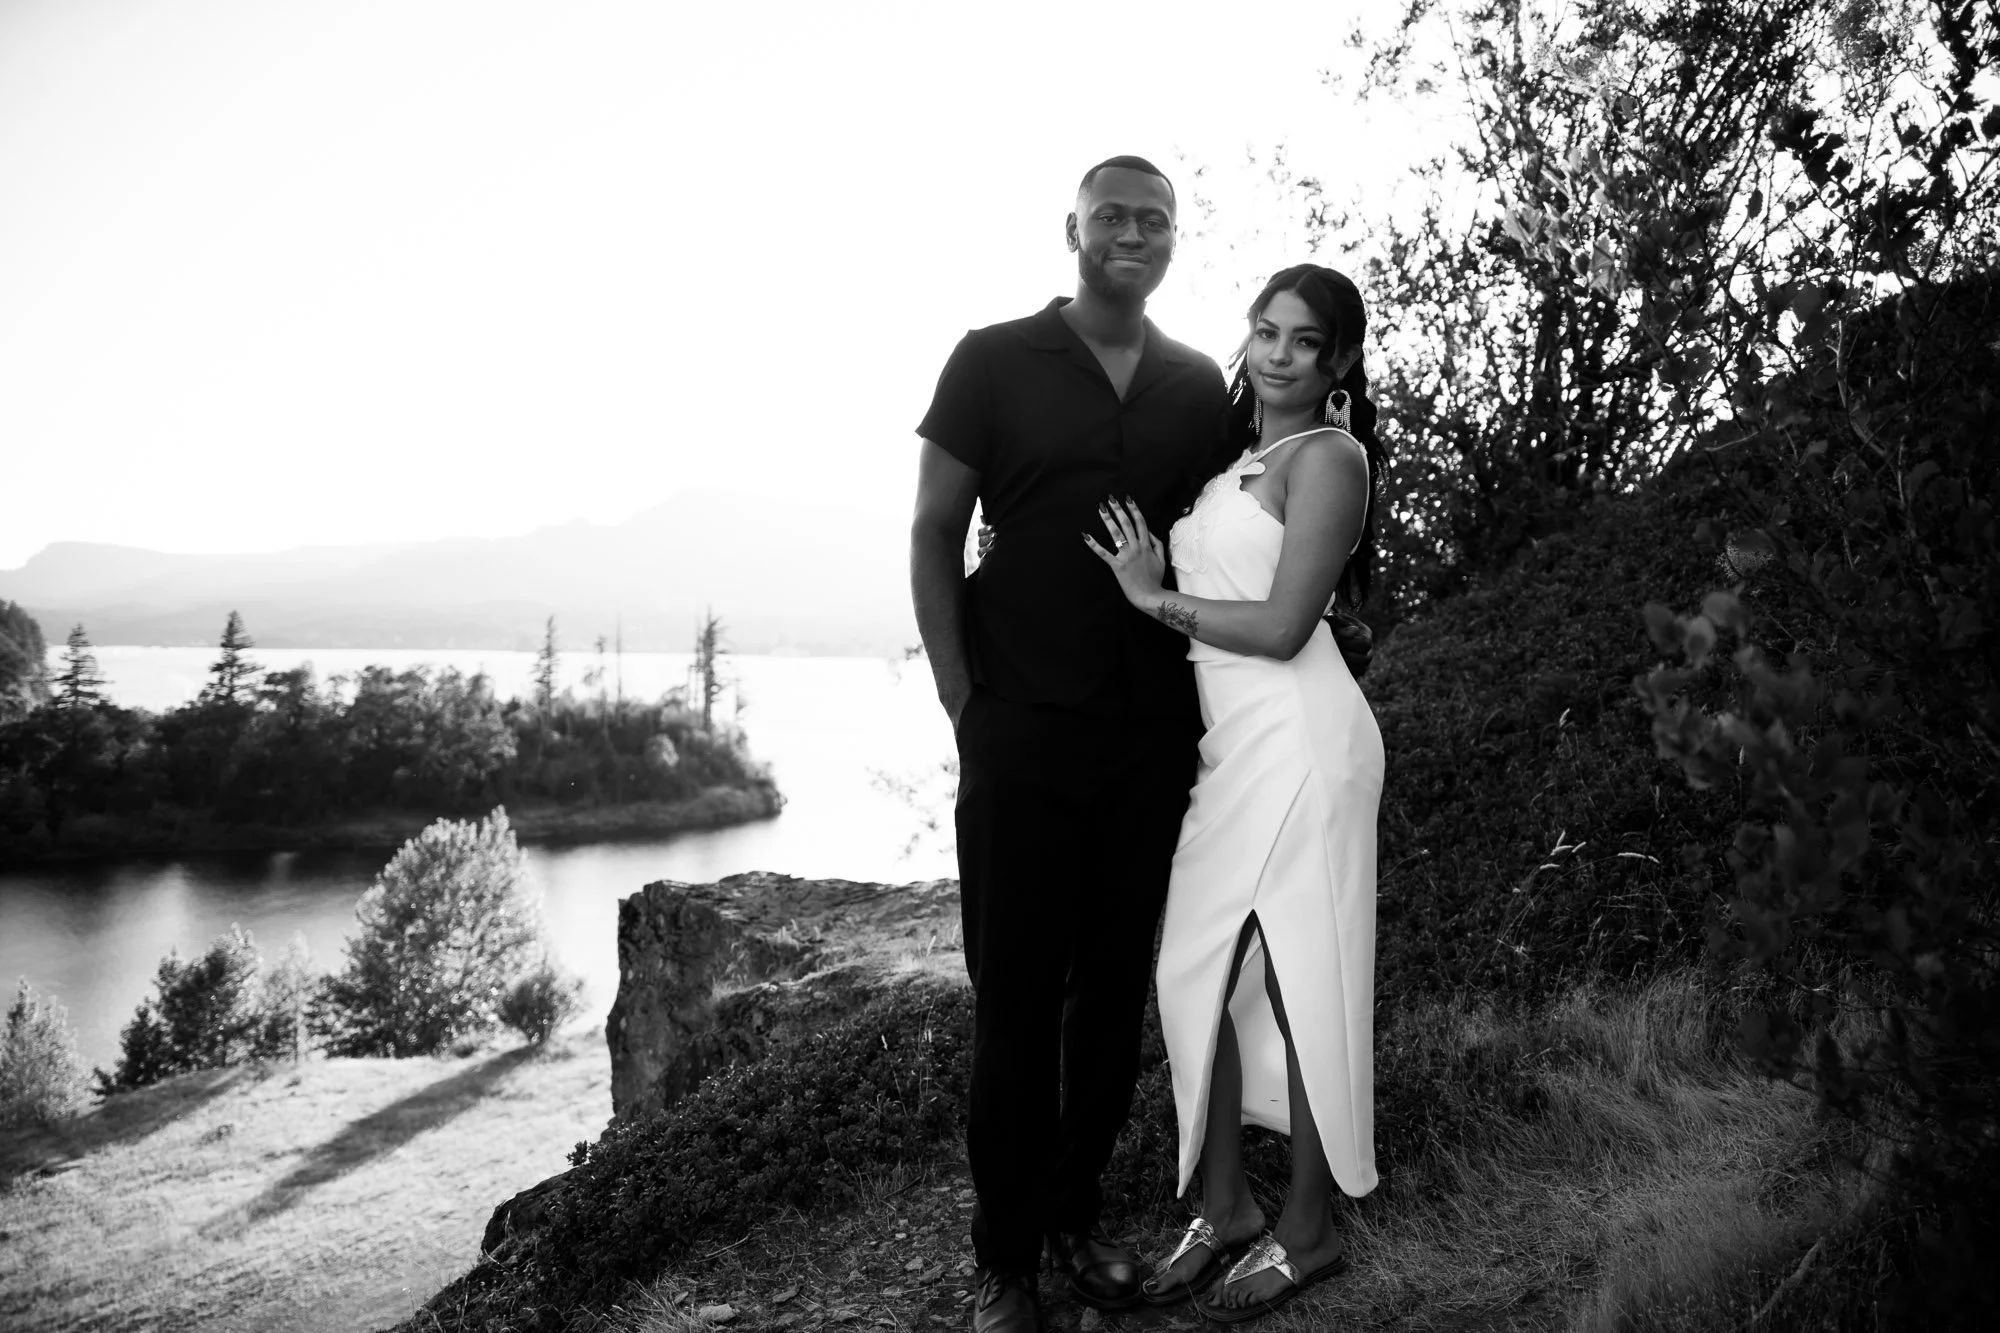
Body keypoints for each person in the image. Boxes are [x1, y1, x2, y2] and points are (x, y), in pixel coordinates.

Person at [909, 155, 1223, 1333]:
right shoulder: (990, 360)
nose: (1130, 234)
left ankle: (1075, 1217)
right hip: (1018, 734)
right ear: (1071, 230)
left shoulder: (1199, 386)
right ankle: (1005, 1263)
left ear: (1174, 238)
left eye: (1153, 219)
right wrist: (962, 704)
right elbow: (934, 531)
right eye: (1110, 217)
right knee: (1014, 1003)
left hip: (1147, 740)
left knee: (1108, 997)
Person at [1084, 263, 1384, 1323]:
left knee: (1306, 978)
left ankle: (1308, 1228)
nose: (1273, 352)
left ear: (1335, 361)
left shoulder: (1328, 459)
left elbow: (1279, 628)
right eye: (1262, 329)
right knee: (1191, 973)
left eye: (1300, 340)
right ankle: (1223, 1205)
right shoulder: (1236, 459)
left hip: (1304, 739)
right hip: (1231, 749)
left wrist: (1150, 596)